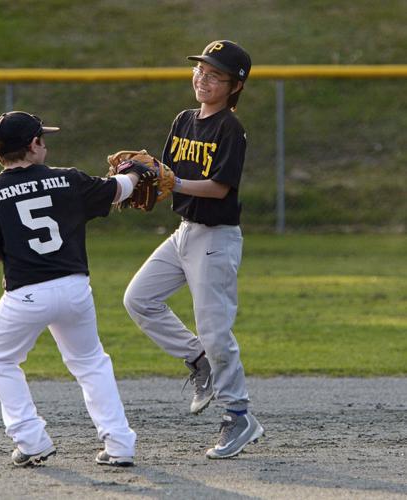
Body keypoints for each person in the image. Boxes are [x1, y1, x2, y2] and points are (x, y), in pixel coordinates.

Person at [0, 111, 143, 467]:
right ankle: (120, 445)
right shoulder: (68, 180)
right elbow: (119, 190)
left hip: (26, 294)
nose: (44, 144)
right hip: (74, 288)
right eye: (42, 139)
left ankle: (31, 440)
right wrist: (136, 172)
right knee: (91, 363)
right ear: (34, 145)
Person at [123, 40, 264, 459]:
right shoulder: (184, 120)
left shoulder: (229, 129)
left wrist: (175, 184)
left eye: (215, 75)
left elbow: (218, 187)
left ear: (235, 85)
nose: (203, 79)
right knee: (140, 299)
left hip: (216, 238)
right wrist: (132, 183)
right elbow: (165, 179)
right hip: (184, 232)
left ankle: (239, 416)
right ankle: (198, 360)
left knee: (216, 330)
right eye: (200, 70)